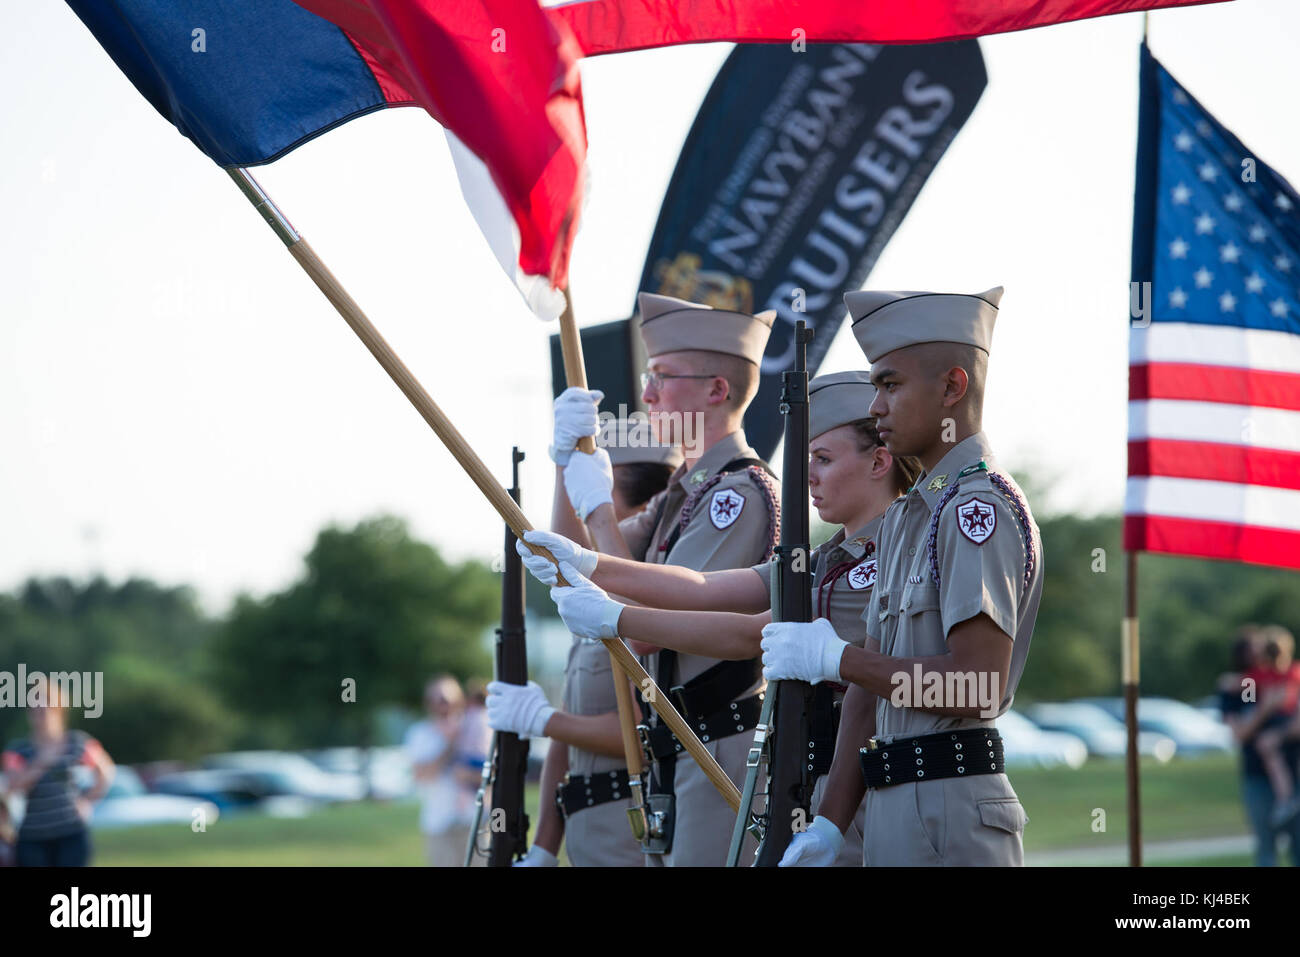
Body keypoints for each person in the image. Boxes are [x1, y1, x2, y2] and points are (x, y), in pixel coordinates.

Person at [519, 372, 922, 865]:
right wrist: (586, 563)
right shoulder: (824, 560)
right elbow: (703, 586)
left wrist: (615, 617)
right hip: (807, 783)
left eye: (823, 460)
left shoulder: (881, 562)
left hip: (854, 792)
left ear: (879, 461)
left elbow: (747, 633)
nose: (808, 477)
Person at [763, 286, 1044, 867]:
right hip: (893, 805)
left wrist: (836, 659)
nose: (875, 407)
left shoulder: (978, 511)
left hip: (950, 810)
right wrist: (830, 824)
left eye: (890, 385)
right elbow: (867, 692)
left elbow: (977, 686)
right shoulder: (909, 519)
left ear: (951, 387)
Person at [541, 292, 781, 866]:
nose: (646, 394)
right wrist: (565, 465)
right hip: (679, 741)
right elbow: (569, 564)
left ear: (716, 391)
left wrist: (599, 509)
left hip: (719, 741)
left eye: (663, 377)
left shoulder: (735, 495)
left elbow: (651, 630)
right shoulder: (686, 495)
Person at [486, 418, 679, 867]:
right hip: (588, 836)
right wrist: (543, 849)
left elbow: (639, 731)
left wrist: (544, 719)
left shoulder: (652, 611)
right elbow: (569, 739)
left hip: (632, 834)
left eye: (588, 494)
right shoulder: (595, 606)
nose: (579, 512)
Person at [1, 674, 115, 866]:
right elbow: (13, 784)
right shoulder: (18, 750)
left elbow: (107, 772)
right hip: (33, 835)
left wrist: (87, 801)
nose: (42, 711)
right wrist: (41, 763)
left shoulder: (77, 742)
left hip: (71, 832)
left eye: (47, 704)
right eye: (36, 706)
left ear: (59, 708)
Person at [404, 675, 472, 866]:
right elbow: (421, 774)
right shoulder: (420, 733)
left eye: (448, 699)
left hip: (476, 821)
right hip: (439, 824)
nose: (444, 704)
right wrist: (449, 744)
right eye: (439, 699)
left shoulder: (475, 728)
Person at [1240, 626, 1300, 832]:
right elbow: (1247, 699)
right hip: (1269, 731)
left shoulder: (1294, 673)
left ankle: (1286, 798)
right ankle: (1285, 798)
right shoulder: (1257, 676)